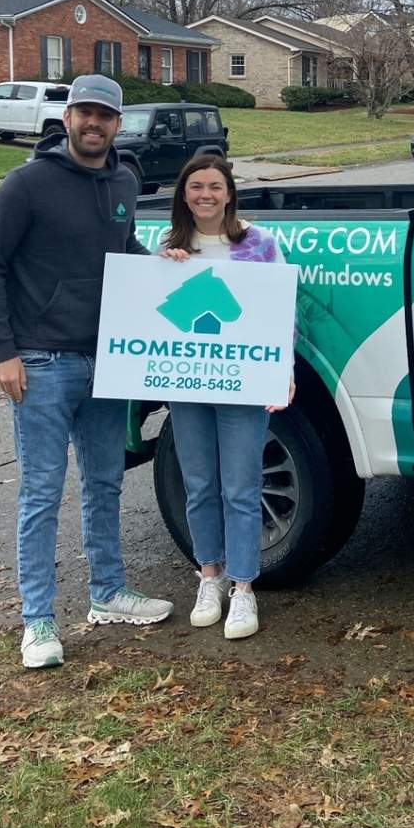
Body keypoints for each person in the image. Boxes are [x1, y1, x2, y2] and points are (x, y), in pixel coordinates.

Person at [0, 74, 174, 670]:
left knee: (105, 480)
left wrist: (163, 265)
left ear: (117, 124)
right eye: (83, 112)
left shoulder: (124, 180)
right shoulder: (27, 184)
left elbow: (122, 249)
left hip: (107, 359)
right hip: (41, 362)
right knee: (41, 491)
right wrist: (1, 352)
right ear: (66, 119)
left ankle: (107, 592)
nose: (93, 123)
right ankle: (37, 620)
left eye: (104, 115)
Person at [160, 153, 295, 640]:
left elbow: (282, 312)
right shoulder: (170, 246)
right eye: (196, 186)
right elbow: (151, 315)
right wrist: (164, 267)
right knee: (199, 486)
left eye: (215, 186)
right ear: (184, 194)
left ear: (230, 193)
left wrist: (284, 371)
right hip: (187, 385)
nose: (206, 195)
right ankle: (209, 576)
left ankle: (242, 587)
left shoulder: (259, 243)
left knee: (240, 488)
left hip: (243, 383)